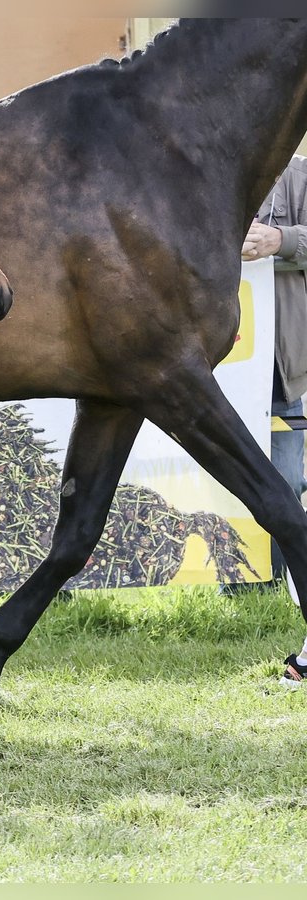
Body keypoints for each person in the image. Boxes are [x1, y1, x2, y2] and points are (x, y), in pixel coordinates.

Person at [240, 154, 307, 686]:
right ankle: (237, 581)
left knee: (285, 485)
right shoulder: (219, 165)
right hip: (223, 371)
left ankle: (281, 589)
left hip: (287, 372)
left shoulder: (302, 175)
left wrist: (278, 241)